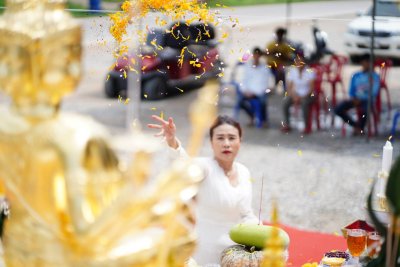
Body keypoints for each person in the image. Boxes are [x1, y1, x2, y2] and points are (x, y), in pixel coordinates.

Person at [147, 115, 258, 265]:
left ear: (240, 141)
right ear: (211, 142)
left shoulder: (244, 172)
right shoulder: (205, 167)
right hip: (204, 252)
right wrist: (172, 141)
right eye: (220, 138)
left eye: (232, 138)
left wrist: (259, 232)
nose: (226, 144)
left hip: (235, 254)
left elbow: (246, 212)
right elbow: (184, 166)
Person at [334, 53, 380, 135]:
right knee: (338, 109)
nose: (368, 64)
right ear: (362, 63)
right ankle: (356, 126)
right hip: (355, 99)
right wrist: (354, 98)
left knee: (366, 109)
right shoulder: (356, 75)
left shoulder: (375, 76)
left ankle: (360, 128)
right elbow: (351, 90)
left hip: (367, 100)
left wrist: (362, 98)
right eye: (366, 62)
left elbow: (374, 92)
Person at [281, 51, 316, 134]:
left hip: (307, 95)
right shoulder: (292, 71)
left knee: (304, 103)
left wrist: (301, 97)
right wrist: (294, 96)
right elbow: (289, 87)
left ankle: (307, 126)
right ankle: (287, 124)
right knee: (285, 102)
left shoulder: (310, 71)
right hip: (295, 94)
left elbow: (311, 88)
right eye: (297, 61)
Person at [238, 47, 272, 126]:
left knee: (263, 102)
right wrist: (245, 91)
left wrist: (259, 91)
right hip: (249, 91)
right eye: (255, 55)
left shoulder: (265, 67)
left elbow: (267, 81)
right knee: (241, 102)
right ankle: (252, 117)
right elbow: (243, 80)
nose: (256, 57)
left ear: (260, 56)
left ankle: (264, 120)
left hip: (260, 91)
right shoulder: (247, 66)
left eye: (258, 55)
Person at [265, 27, 294, 92]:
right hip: (270, 65)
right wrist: (273, 52)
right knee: (279, 73)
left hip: (280, 65)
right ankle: (280, 88)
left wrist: (281, 55)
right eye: (279, 35)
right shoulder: (271, 45)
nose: (280, 36)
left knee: (281, 72)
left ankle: (282, 88)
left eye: (281, 35)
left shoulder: (285, 46)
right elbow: (266, 54)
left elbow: (289, 58)